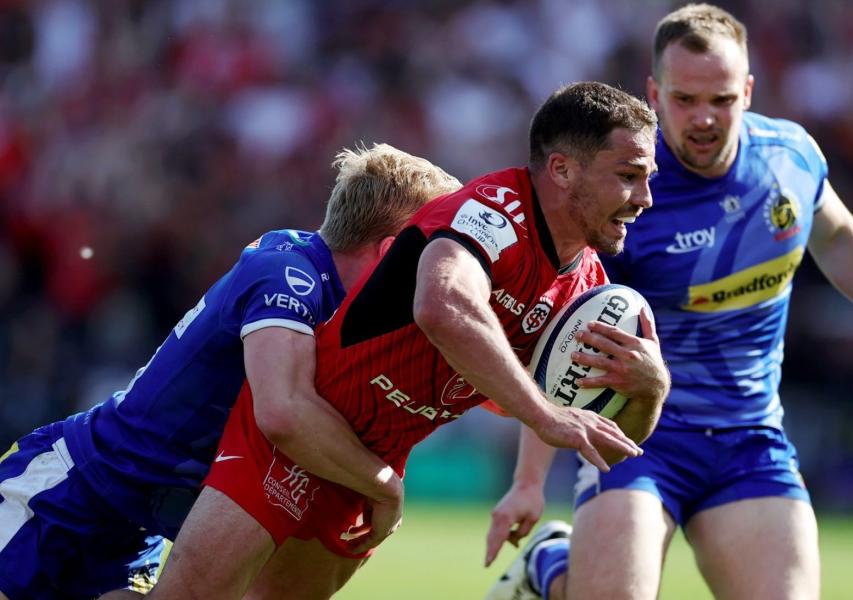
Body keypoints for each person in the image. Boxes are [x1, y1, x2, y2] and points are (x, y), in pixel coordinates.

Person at [484, 5, 853, 600]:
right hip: (636, 436)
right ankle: (549, 567)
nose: (704, 118)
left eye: (722, 100)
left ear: (749, 91)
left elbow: (834, 234)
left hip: (748, 438)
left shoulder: (790, 159)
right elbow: (564, 333)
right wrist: (529, 481)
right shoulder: (627, 190)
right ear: (654, 93)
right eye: (684, 100)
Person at [139, 81, 671, 600]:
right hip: (302, 432)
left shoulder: (588, 291)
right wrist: (544, 414)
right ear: (562, 169)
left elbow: (607, 443)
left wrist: (649, 389)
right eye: (628, 176)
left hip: (371, 465)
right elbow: (442, 306)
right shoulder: (491, 213)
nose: (645, 198)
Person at [0, 143, 463, 600]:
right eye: (435, 250)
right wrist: (384, 487)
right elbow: (283, 413)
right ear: (390, 253)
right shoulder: (288, 274)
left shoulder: (331, 294)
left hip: (132, 535)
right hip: (68, 491)